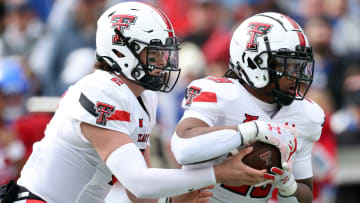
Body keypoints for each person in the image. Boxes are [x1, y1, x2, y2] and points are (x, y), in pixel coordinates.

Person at [0, 2, 281, 203]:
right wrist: (218, 173)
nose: (163, 63)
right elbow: (139, 182)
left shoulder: (144, 97)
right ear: (123, 51)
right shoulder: (101, 89)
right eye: (154, 54)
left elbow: (140, 195)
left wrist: (177, 200)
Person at [171, 12, 325, 203]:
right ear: (254, 63)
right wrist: (253, 130)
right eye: (288, 66)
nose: (297, 75)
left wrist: (287, 185)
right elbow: (182, 148)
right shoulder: (221, 94)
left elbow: (303, 195)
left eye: (300, 66)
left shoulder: (305, 115)